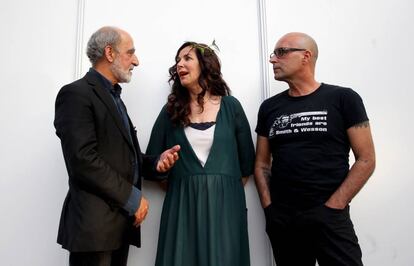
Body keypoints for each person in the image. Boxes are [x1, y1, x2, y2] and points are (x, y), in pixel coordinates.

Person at [54, 26, 180, 266]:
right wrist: (132, 198)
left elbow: (126, 158)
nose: (136, 61)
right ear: (109, 53)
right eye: (130, 52)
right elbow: (83, 160)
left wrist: (157, 163)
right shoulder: (75, 94)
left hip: (120, 227)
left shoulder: (115, 98)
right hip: (94, 230)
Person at [254, 32, 376, 266]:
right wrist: (270, 208)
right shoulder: (269, 108)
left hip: (329, 216)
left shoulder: (343, 98)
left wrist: (334, 206)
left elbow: (366, 159)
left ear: (305, 56)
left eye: (280, 52)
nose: (272, 60)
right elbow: (261, 163)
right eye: (273, 54)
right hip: (284, 220)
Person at [146, 41, 255, 266]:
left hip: (226, 210)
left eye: (187, 58)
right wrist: (184, 183)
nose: (180, 64)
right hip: (181, 210)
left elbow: (247, 165)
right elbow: (150, 162)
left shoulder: (231, 107)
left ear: (205, 65)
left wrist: (219, 187)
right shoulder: (170, 112)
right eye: (177, 60)